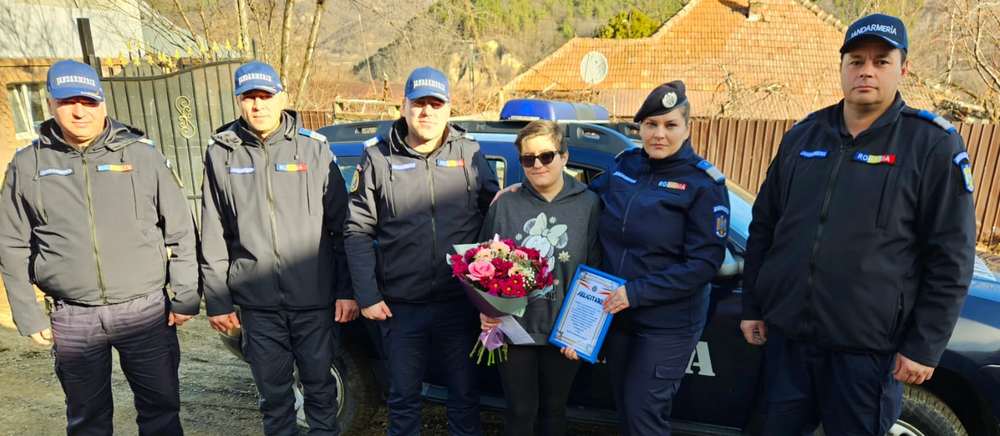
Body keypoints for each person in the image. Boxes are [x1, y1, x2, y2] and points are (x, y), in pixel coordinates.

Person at [740, 13, 976, 436]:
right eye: (856, 60)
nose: (867, 71)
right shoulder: (804, 136)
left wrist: (924, 345)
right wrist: (754, 307)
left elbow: (952, 257)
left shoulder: (931, 144)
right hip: (789, 343)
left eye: (881, 61)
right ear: (842, 67)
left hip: (867, 355)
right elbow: (764, 227)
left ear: (903, 68)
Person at [0, 59, 198, 435]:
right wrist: (28, 313)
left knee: (161, 409)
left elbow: (182, 229)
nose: (79, 112)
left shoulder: (142, 156)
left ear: (102, 102)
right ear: (50, 103)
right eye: (67, 102)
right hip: (74, 317)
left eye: (88, 101)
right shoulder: (27, 165)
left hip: (144, 312)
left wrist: (186, 293)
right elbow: (10, 243)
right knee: (86, 419)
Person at [199, 60, 357, 436]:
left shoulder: (314, 150)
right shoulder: (222, 153)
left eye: (265, 96)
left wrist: (346, 290)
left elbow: (342, 227)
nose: (258, 105)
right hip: (258, 306)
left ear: (282, 98)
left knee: (321, 394)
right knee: (274, 400)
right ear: (238, 101)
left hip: (314, 301)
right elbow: (213, 231)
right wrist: (218, 301)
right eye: (249, 97)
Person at [344, 66, 499, 436]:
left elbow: (495, 215)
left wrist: (492, 292)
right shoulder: (377, 158)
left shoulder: (470, 153)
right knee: (403, 399)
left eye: (435, 103)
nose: (427, 111)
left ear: (448, 109)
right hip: (400, 308)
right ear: (404, 107)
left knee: (465, 396)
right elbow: (357, 229)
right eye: (419, 103)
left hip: (459, 304)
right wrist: (367, 295)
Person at [590, 80, 729, 435]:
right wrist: (522, 190)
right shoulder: (626, 166)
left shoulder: (703, 184)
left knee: (644, 415)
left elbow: (703, 264)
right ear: (640, 127)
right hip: (619, 316)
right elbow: (584, 198)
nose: (659, 134)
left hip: (667, 324)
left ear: (687, 128)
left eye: (670, 125)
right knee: (625, 408)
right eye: (651, 124)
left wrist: (636, 293)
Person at [478, 121, 601, 436]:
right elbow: (482, 262)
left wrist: (584, 332)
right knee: (520, 411)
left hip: (565, 329)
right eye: (528, 158)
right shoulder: (505, 203)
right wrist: (486, 308)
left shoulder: (589, 204)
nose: (537, 165)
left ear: (564, 156)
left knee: (554, 409)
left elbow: (596, 267)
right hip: (514, 325)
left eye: (546, 156)